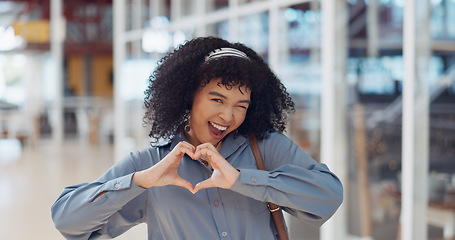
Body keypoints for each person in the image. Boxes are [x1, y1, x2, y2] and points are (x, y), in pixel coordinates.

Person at [51, 36, 343, 240]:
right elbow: (67, 220)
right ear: (189, 95)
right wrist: (137, 182)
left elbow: (328, 196)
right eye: (217, 100)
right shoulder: (152, 164)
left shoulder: (267, 149)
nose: (228, 116)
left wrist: (244, 180)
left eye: (241, 106)